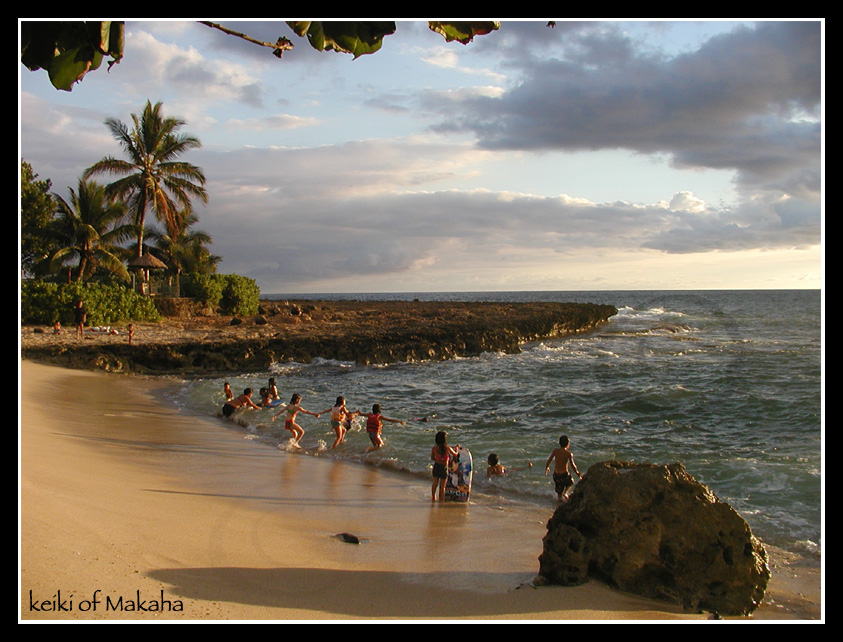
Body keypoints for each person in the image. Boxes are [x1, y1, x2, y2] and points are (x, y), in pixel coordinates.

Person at [544, 435, 582, 501]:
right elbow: (573, 465)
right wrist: (577, 473)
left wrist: (547, 467)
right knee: (571, 482)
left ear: (559, 443)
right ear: (568, 444)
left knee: (559, 490)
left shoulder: (555, 451)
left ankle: (559, 500)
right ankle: (565, 493)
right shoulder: (568, 454)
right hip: (564, 474)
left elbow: (549, 460)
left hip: (556, 474)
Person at [431, 431, 459, 502]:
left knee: (435, 483)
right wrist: (457, 448)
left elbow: (432, 458)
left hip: (436, 466)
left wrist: (438, 459)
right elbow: (455, 454)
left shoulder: (434, 448)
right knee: (442, 486)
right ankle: (442, 500)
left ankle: (434, 497)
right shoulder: (447, 448)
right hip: (444, 467)